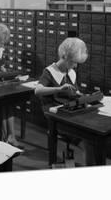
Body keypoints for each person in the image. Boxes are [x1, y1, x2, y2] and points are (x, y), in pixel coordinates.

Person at [35, 37, 94, 165]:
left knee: (92, 133)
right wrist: (58, 88)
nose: (76, 66)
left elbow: (75, 92)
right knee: (87, 141)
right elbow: (37, 91)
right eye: (73, 62)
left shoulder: (71, 72)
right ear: (64, 57)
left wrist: (83, 95)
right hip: (55, 115)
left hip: (70, 110)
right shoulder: (49, 72)